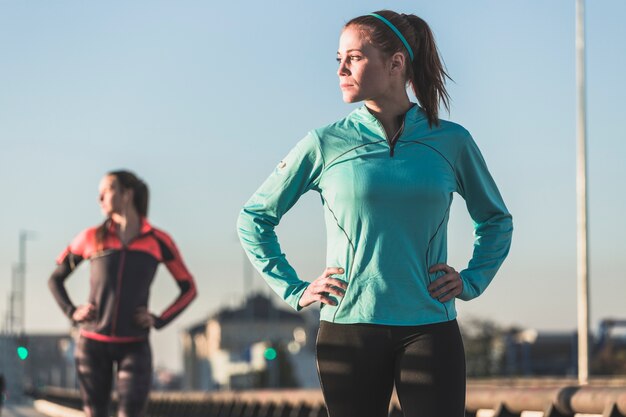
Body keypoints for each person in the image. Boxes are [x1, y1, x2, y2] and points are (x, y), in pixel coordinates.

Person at [237, 10, 513, 417]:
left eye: (354, 57)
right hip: (347, 328)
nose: (341, 69)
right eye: (338, 59)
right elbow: (254, 218)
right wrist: (295, 290)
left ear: (396, 63)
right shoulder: (325, 143)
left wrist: (471, 280)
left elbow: (495, 220)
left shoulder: (452, 142)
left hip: (429, 327)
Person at [48, 170, 197, 417]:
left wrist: (159, 320)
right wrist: (72, 311)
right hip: (92, 345)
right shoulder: (91, 238)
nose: (100, 199)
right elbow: (55, 280)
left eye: (106, 191)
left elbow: (189, 288)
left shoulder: (159, 241)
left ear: (126, 194)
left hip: (135, 346)